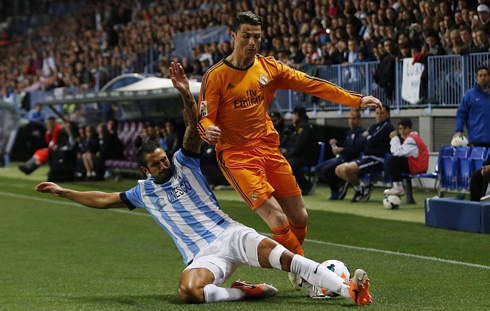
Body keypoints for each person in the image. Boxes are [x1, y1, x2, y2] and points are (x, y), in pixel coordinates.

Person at [35, 62, 373, 305]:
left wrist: (185, 94)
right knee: (189, 293)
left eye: (163, 159)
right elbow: (102, 199)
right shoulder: (143, 192)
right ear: (145, 169)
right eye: (156, 164)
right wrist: (63, 191)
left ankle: (350, 290)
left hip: (229, 234)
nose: (164, 164)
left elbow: (192, 126)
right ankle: (244, 291)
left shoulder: (185, 162)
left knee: (284, 258)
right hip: (202, 255)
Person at [197, 12, 381, 289]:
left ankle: (294, 265)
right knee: (277, 218)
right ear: (232, 36)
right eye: (246, 36)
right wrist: (208, 129)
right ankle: (312, 278)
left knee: (300, 218)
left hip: (268, 147)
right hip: (236, 156)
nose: (252, 42)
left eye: (257, 37)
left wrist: (355, 100)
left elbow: (311, 84)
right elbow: (204, 117)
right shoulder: (216, 76)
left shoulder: (269, 68)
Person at [335, 104, 394, 202]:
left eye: (382, 113)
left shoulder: (387, 126)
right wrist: (368, 138)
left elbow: (371, 140)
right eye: (377, 113)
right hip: (365, 157)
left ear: (387, 114)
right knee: (338, 170)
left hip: (376, 159)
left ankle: (362, 189)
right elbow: (360, 141)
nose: (379, 115)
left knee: (346, 170)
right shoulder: (374, 126)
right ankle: (362, 188)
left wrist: (367, 137)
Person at [315, 109, 366, 200]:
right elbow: (347, 145)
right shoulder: (350, 131)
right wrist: (338, 144)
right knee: (318, 169)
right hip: (343, 157)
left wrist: (341, 150)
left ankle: (335, 190)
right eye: (349, 118)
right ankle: (339, 183)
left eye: (353, 118)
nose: (351, 121)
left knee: (327, 170)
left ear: (359, 120)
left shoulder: (362, 133)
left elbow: (356, 150)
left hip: (351, 159)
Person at [384, 118, 429, 196]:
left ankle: (398, 187)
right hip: (417, 165)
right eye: (400, 129)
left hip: (417, 166)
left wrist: (394, 138)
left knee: (392, 160)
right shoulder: (413, 138)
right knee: (393, 160)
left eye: (405, 128)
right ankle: (397, 185)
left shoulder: (411, 139)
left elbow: (397, 152)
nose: (402, 131)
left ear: (411, 128)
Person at [280, 106, 318, 195]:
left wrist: (288, 153)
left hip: (306, 156)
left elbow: (299, 146)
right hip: (300, 155)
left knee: (289, 165)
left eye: (293, 114)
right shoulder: (298, 127)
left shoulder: (304, 127)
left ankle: (306, 185)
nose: (292, 117)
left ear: (296, 114)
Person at [454, 66, 490, 148]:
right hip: (476, 141)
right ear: (477, 78)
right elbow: (461, 114)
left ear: (489, 77)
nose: (483, 78)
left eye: (485, 75)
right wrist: (459, 130)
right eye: (480, 75)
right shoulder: (469, 95)